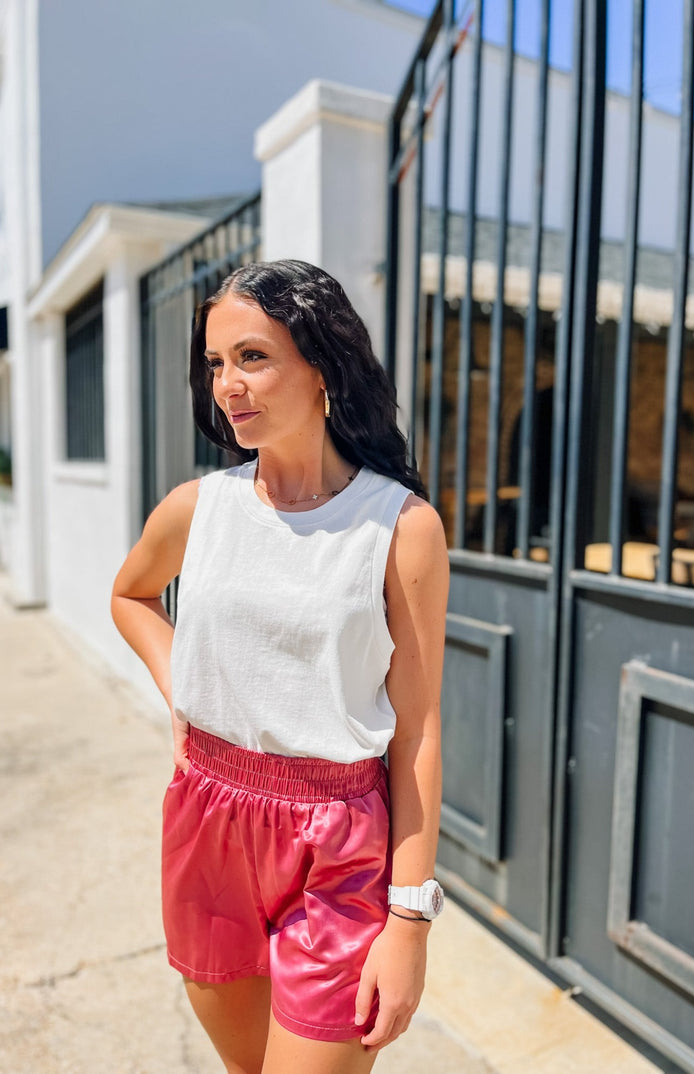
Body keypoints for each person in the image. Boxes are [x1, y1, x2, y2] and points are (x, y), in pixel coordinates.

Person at [111, 259, 449, 1074]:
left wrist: (408, 920)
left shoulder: (399, 528)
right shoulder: (200, 507)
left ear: (325, 366)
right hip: (207, 819)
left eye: (253, 357)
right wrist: (181, 690)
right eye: (217, 363)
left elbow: (418, 732)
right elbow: (131, 596)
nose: (228, 384)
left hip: (337, 847)